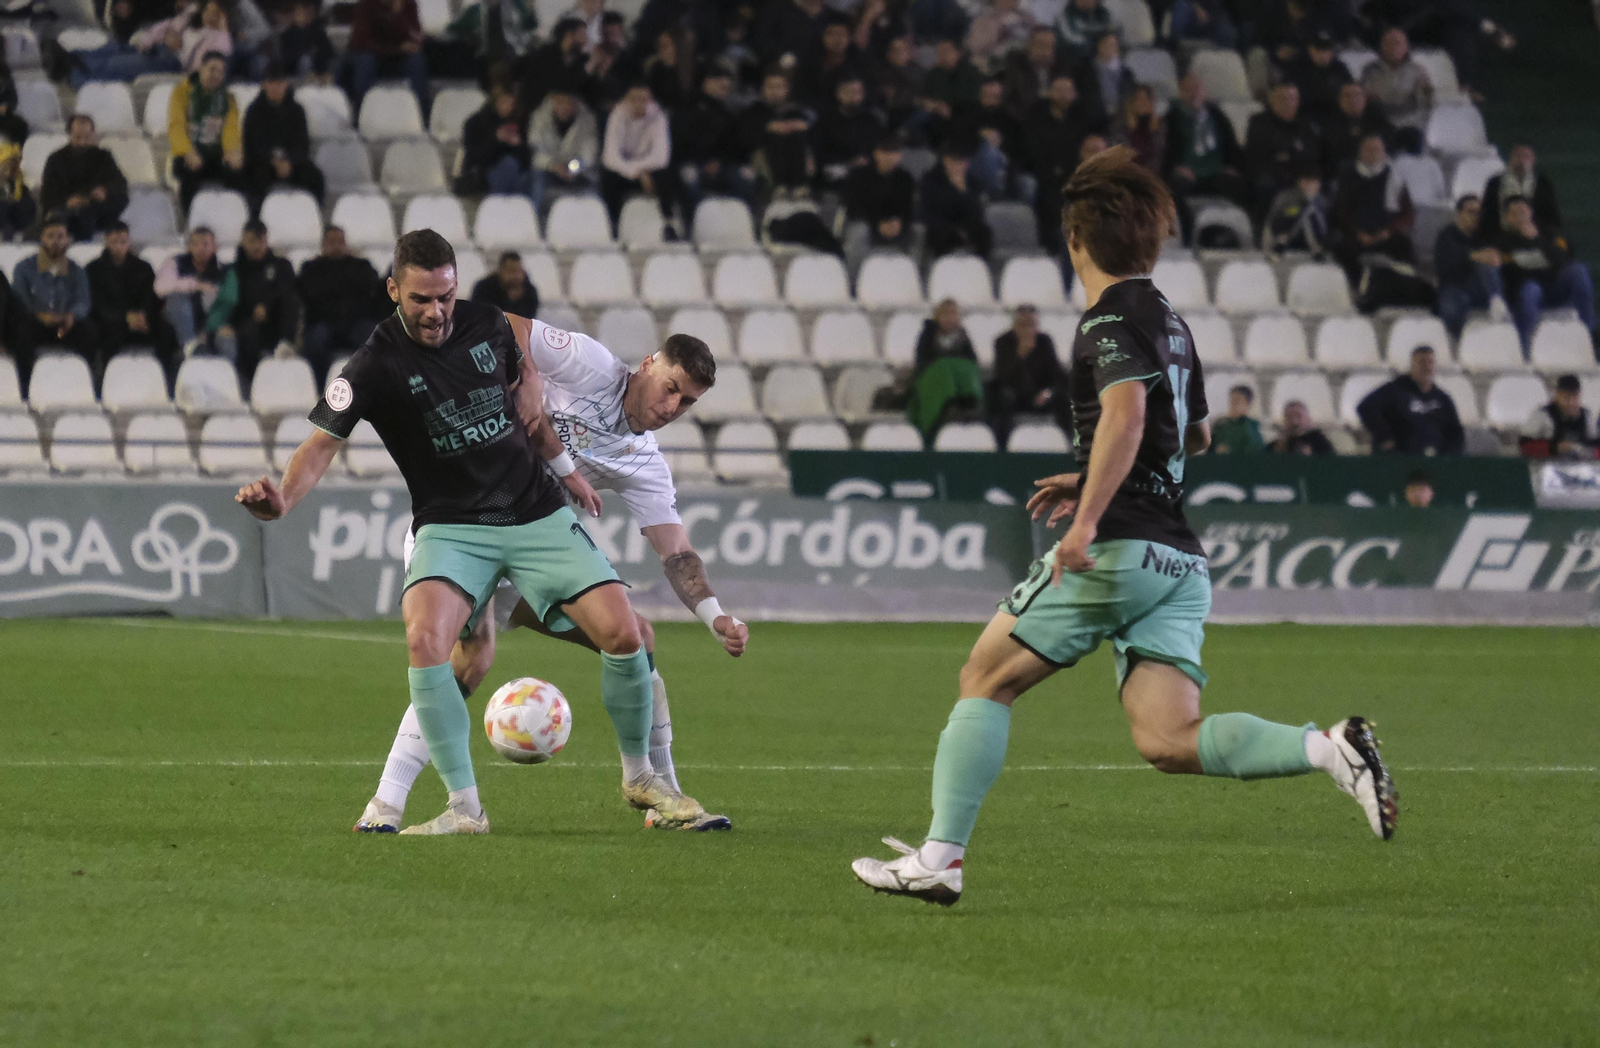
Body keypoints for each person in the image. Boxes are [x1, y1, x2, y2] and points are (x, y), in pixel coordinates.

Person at [851, 147, 1396, 906]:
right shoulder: (1171, 322)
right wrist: (1101, 469)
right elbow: (1192, 434)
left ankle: (939, 859)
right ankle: (1330, 748)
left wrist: (1091, 513)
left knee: (984, 677)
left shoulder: (1104, 319)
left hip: (1122, 545)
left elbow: (1130, 412)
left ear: (1074, 240)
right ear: (1152, 240)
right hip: (1178, 561)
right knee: (1168, 739)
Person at [237, 229, 715, 836]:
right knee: (433, 645)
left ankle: (643, 778)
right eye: (421, 300)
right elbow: (320, 446)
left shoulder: (487, 326)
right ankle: (461, 808)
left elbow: (533, 413)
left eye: (446, 296)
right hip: (452, 525)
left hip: (534, 512)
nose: (437, 311)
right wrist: (283, 500)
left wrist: (567, 472)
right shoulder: (371, 365)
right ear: (394, 292)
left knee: (629, 634)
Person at [355, 321, 747, 834]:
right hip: (463, 522)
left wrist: (714, 616)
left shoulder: (645, 463)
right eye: (671, 388)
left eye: (687, 402)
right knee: (467, 662)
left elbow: (676, 551)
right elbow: (506, 325)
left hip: (536, 544)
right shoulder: (588, 364)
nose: (672, 407)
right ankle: (387, 805)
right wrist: (531, 379)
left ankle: (659, 795)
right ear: (649, 364)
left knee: (636, 636)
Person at [8, 214, 97, 391]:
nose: (55, 241)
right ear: (42, 238)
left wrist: (71, 316)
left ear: (67, 240)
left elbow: (83, 301)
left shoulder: (77, 270)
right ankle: (25, 387)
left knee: (89, 330)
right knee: (22, 331)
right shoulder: (24, 268)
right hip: (37, 324)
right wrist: (39, 315)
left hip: (66, 325)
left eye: (60, 236)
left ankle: (86, 385)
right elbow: (20, 300)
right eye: (50, 236)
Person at [208, 220, 301, 389]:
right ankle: (252, 382)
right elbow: (231, 301)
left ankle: (285, 345)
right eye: (252, 241)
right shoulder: (234, 270)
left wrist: (266, 305)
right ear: (243, 241)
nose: (257, 246)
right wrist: (252, 309)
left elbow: (285, 291)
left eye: (261, 241)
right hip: (246, 323)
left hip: (276, 322)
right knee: (247, 330)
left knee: (291, 301)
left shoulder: (282, 266)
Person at [1497, 197, 1596, 352]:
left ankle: (1589, 334)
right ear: (1508, 218)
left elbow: (1563, 260)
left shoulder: (1550, 233)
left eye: (1523, 212)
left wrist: (1535, 240)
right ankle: (1524, 351)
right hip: (1524, 292)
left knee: (1578, 270)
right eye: (1515, 213)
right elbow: (1511, 269)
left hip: (1554, 288)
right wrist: (1544, 261)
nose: (1521, 217)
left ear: (1531, 213)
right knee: (1531, 289)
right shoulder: (1502, 240)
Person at [87, 220, 177, 381]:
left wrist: (143, 314)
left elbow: (152, 298)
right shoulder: (93, 269)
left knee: (166, 331)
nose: (119, 246)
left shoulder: (143, 267)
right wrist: (125, 317)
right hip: (110, 321)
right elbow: (96, 303)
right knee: (108, 332)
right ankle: (108, 380)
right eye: (114, 242)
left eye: (123, 241)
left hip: (141, 320)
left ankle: (165, 380)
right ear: (106, 241)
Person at [1162, 72, 1247, 241]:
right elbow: (1164, 150)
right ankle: (1188, 237)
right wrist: (1175, 166)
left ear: (1205, 92)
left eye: (1197, 89)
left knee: (1238, 184)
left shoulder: (1218, 116)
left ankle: (1228, 236)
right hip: (1186, 173)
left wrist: (1232, 165)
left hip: (1216, 172)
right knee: (1175, 187)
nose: (1194, 93)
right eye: (1188, 90)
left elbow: (1231, 145)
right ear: (1181, 92)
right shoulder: (1171, 118)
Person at [1025, 73, 1104, 251]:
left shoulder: (1081, 117)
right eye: (1059, 90)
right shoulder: (1036, 117)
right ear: (1049, 93)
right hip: (1046, 177)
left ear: (1074, 94)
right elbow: (1034, 153)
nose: (1063, 94)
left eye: (1068, 90)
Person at [298, 225, 385, 385]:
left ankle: (371, 385)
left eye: (340, 241)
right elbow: (309, 295)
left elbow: (374, 292)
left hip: (356, 322)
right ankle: (317, 384)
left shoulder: (361, 266)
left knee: (373, 336)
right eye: (331, 242)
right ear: (323, 245)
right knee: (316, 339)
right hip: (323, 322)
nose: (336, 245)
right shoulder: (311, 268)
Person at [673, 65, 757, 215]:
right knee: (689, 179)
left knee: (746, 178)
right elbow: (681, 141)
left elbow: (735, 144)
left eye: (726, 86)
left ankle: (738, 222)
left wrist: (720, 161)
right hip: (693, 163)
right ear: (706, 82)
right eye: (719, 83)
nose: (723, 88)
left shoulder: (727, 113)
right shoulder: (687, 108)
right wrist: (703, 161)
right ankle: (693, 224)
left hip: (722, 165)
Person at [167, 52, 244, 213]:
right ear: (201, 68)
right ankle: (190, 220)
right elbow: (176, 127)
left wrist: (231, 151)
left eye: (220, 72)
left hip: (215, 155)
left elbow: (230, 129)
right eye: (212, 69)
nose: (215, 75)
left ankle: (232, 216)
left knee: (238, 170)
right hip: (188, 152)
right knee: (189, 171)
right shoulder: (181, 93)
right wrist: (188, 151)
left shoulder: (228, 99)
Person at [243, 63, 324, 210]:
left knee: (314, 176)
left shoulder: (297, 110)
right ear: (264, 85)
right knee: (256, 177)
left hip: (292, 162)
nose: (275, 87)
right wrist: (273, 160)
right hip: (263, 162)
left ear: (285, 84)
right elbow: (252, 144)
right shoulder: (254, 111)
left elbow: (302, 145)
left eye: (279, 83)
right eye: (271, 83)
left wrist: (290, 161)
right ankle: (256, 220)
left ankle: (314, 214)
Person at [1333, 133, 1415, 277]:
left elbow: (1408, 214)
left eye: (1377, 150)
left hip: (1386, 235)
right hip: (1357, 236)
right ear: (1360, 152)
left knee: (1404, 246)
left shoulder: (1395, 178)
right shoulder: (1349, 177)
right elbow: (1341, 211)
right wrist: (1358, 233)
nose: (1373, 154)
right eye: (1368, 150)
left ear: (1383, 152)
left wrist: (1387, 232)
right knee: (1343, 249)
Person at [1357, 345, 1464, 455]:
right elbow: (1365, 407)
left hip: (1435, 461)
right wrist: (1384, 437)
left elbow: (1455, 432)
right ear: (1412, 365)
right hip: (1400, 460)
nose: (1426, 367)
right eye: (1421, 362)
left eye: (1430, 362)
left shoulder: (1442, 398)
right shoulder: (1394, 390)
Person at [39, 116, 129, 243]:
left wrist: (105, 190)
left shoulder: (103, 157)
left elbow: (119, 183)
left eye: (86, 137)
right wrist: (67, 201)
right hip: (66, 209)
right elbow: (47, 193)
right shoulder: (56, 159)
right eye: (77, 137)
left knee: (117, 200)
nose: (82, 143)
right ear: (70, 135)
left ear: (93, 134)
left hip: (95, 207)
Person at [600, 83, 675, 233]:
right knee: (607, 176)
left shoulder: (659, 117)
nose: (638, 104)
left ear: (650, 101)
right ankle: (611, 225)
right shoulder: (617, 115)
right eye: (634, 99)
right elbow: (610, 157)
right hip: (626, 170)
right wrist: (637, 172)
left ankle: (669, 224)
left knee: (668, 176)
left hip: (648, 169)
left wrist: (642, 170)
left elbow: (661, 157)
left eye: (643, 100)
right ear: (626, 100)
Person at [1434, 194, 1508, 338]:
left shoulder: (1482, 236)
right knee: (1453, 306)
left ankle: (1496, 301)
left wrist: (1483, 256)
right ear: (1458, 214)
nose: (1475, 216)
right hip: (1453, 287)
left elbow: (1494, 257)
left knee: (1488, 261)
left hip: (1478, 289)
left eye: (1478, 213)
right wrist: (1473, 256)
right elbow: (1448, 261)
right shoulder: (1446, 235)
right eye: (1471, 212)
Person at [907, 297, 983, 439]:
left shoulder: (963, 336)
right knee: (943, 368)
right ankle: (947, 405)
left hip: (959, 382)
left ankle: (970, 404)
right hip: (932, 381)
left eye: (953, 313)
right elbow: (922, 362)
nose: (950, 317)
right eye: (946, 313)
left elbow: (972, 362)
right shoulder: (928, 334)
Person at [988, 304, 1066, 440]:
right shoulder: (1002, 342)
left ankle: (1069, 443)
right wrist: (1020, 355)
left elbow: (1057, 375)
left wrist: (1047, 393)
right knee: (1000, 398)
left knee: (1066, 398)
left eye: (1031, 325)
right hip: (1014, 394)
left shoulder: (1045, 342)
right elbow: (1002, 377)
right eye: (1023, 325)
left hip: (1040, 395)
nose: (1028, 330)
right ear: (1014, 326)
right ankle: (1002, 444)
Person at [1244, 81, 1321, 214]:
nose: (1288, 103)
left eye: (1292, 99)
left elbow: (1312, 155)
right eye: (1282, 99)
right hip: (1273, 178)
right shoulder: (1259, 123)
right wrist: (1293, 161)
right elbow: (1261, 157)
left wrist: (1310, 176)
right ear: (1271, 101)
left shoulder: (1305, 125)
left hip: (1302, 177)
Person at [345, 0, 430, 117]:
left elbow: (415, 36)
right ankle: (361, 112)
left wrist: (397, 15)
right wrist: (396, 49)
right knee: (365, 61)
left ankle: (422, 113)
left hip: (398, 57)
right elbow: (361, 43)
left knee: (416, 61)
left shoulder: (408, 5)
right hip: (374, 54)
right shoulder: (366, 5)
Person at [739, 72, 813, 198]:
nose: (775, 91)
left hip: (796, 160)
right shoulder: (753, 112)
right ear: (763, 89)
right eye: (771, 87)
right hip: (764, 159)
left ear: (787, 89)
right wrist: (767, 129)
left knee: (796, 137)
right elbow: (745, 141)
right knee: (775, 137)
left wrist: (798, 127)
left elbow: (813, 136)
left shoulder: (797, 112)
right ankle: (779, 186)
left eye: (779, 87)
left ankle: (799, 185)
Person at [528, 88, 600, 214]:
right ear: (553, 101)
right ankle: (534, 219)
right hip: (550, 170)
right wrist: (554, 166)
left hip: (578, 170)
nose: (565, 107)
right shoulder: (539, 119)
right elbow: (537, 153)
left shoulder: (587, 120)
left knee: (594, 181)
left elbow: (589, 155)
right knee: (537, 177)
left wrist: (573, 168)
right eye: (560, 102)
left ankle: (594, 217)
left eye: (569, 103)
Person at [155, 225, 225, 356]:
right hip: (175, 316)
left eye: (205, 244)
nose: (200, 249)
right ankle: (190, 344)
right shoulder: (175, 262)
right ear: (188, 247)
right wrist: (193, 284)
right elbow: (160, 287)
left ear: (215, 247)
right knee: (177, 297)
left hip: (206, 319)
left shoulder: (221, 270)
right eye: (195, 244)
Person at [1360, 27, 1431, 153]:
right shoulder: (1370, 71)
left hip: (1407, 125)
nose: (1393, 47)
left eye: (1397, 43)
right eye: (1388, 44)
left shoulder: (1418, 72)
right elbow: (1365, 100)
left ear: (1406, 47)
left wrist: (1404, 123)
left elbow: (1425, 105)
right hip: (1379, 126)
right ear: (1381, 47)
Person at [458, 82, 533, 199]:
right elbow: (474, 157)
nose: (508, 107)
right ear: (494, 102)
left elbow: (527, 160)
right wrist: (496, 140)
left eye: (511, 103)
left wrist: (518, 145)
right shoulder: (475, 123)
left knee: (524, 175)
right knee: (509, 164)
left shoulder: (520, 122)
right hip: (483, 173)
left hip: (515, 174)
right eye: (504, 102)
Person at [843, 133, 915, 252]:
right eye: (886, 152)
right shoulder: (859, 176)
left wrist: (899, 222)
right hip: (868, 223)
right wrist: (877, 223)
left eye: (895, 152)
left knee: (917, 230)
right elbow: (854, 207)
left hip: (895, 225)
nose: (890, 157)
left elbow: (908, 208)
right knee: (859, 230)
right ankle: (854, 270)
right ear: (876, 153)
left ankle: (911, 269)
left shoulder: (905, 178)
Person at [920, 142, 992, 259]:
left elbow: (977, 213)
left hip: (967, 226)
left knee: (984, 232)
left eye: (962, 161)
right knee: (940, 233)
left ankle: (981, 267)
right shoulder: (931, 180)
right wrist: (956, 230)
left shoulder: (973, 182)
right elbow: (929, 212)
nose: (958, 165)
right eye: (954, 161)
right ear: (945, 161)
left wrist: (963, 192)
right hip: (941, 226)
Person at [1480, 144, 1562, 247]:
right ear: (1510, 158)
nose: (1521, 161)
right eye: (1517, 156)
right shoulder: (1495, 183)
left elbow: (1551, 218)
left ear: (1533, 160)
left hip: (1536, 240)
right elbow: (1487, 215)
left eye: (1526, 156)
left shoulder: (1543, 184)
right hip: (1500, 240)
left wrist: (1535, 232)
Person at [813, 76, 884, 188]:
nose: (853, 96)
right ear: (838, 94)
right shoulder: (825, 120)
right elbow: (819, 150)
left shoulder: (872, 120)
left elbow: (877, 146)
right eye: (848, 92)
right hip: (835, 168)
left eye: (857, 92)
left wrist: (866, 159)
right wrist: (847, 163)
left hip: (865, 169)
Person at [1320, 81, 1393, 180]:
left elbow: (1389, 141)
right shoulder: (1331, 122)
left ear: (1365, 99)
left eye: (1358, 95)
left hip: (1378, 169)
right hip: (1344, 174)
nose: (1353, 100)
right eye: (1347, 96)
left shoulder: (1376, 117)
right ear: (1339, 100)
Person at [1520, 374, 1596, 460]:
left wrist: (1587, 451)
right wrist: (1555, 448)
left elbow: (1595, 445)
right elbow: (1525, 446)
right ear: (1557, 395)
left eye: (1575, 397)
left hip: (1582, 468)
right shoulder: (1542, 415)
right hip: (1547, 465)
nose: (1571, 403)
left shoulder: (1586, 416)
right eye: (1566, 398)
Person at [1002, 25, 1069, 118]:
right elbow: (1012, 101)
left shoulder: (1062, 66)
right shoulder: (1017, 65)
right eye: (1041, 46)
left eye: (1050, 46)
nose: (1046, 52)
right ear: (1028, 47)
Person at [1263, 170, 1331, 258]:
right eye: (1311, 183)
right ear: (1302, 183)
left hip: (1299, 236)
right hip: (1276, 235)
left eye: (1317, 183)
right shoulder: (1290, 197)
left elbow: (1312, 221)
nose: (1316, 186)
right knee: (1301, 215)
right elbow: (1279, 218)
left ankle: (1317, 249)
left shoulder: (1319, 200)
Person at [1287, 30, 1350, 124]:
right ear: (1310, 49)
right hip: (1305, 118)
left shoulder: (1340, 69)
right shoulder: (1298, 68)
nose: (1323, 54)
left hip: (1336, 118)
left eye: (1327, 49)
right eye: (1319, 49)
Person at [1077, 32, 1134, 125]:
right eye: (1106, 44)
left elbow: (1129, 96)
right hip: (1093, 120)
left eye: (1113, 45)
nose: (1110, 47)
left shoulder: (1127, 74)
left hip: (1120, 120)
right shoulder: (1086, 71)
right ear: (1098, 46)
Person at [966, 0, 1035, 69]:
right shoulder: (983, 20)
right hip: (990, 66)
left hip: (1022, 65)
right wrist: (1001, 29)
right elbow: (975, 47)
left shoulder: (1026, 19)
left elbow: (1036, 39)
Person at [471, 251, 539, 319]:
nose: (515, 276)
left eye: (518, 271)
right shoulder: (484, 289)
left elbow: (529, 319)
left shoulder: (529, 292)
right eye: (511, 271)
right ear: (501, 271)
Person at [1210, 384, 1264, 454]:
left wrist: (1230, 451)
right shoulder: (1220, 427)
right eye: (1232, 400)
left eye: (1237, 401)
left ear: (1248, 404)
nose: (1233, 404)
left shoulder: (1252, 428)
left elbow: (1254, 453)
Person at [1269, 399, 1335, 454]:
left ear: (1308, 419)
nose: (1294, 422)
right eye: (1289, 417)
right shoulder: (1278, 444)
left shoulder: (1321, 442)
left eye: (1298, 416)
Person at [0, 143, 35, 241]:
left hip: (14, 226)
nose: (8, 172)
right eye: (5, 167)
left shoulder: (20, 188)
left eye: (13, 168)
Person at [1168, 0, 1237, 48]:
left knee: (1228, 32)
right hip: (1191, 9)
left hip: (1215, 15)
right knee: (1182, 7)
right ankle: (1175, 51)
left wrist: (1211, 16)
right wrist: (1197, 7)